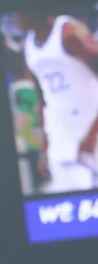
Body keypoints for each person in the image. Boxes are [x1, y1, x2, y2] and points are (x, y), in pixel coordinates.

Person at [13, 12, 98, 194]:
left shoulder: (69, 33)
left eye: (18, 12)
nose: (15, 16)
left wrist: (92, 135)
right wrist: (45, 146)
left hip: (92, 123)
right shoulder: (28, 47)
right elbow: (42, 99)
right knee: (70, 199)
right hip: (62, 134)